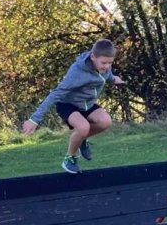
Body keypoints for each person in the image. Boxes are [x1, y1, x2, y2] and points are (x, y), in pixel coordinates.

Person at [22, 39, 127, 174]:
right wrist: (34, 119)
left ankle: (81, 139)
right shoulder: (77, 72)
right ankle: (69, 158)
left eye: (110, 63)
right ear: (93, 56)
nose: (107, 66)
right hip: (67, 104)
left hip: (86, 104)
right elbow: (56, 93)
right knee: (83, 127)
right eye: (104, 63)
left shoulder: (103, 65)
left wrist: (114, 79)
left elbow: (107, 75)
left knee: (105, 121)